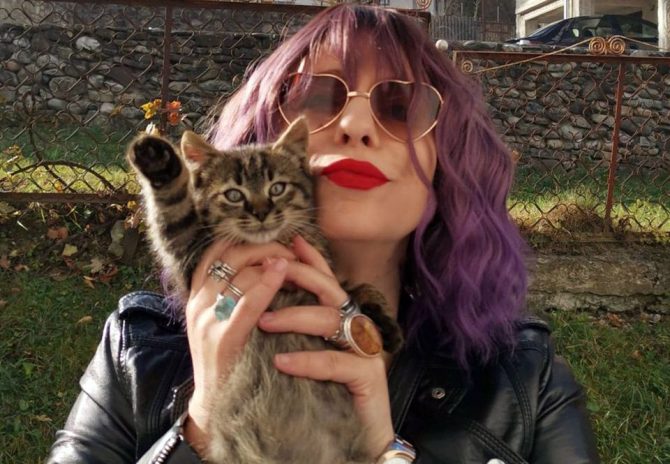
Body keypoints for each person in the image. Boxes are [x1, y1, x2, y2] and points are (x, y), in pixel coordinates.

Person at [47, 4, 600, 464]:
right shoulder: (138, 354)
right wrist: (203, 424)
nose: (356, 126)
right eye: (317, 96)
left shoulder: (525, 380)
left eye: (399, 106)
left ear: (450, 162)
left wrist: (385, 450)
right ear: (262, 132)